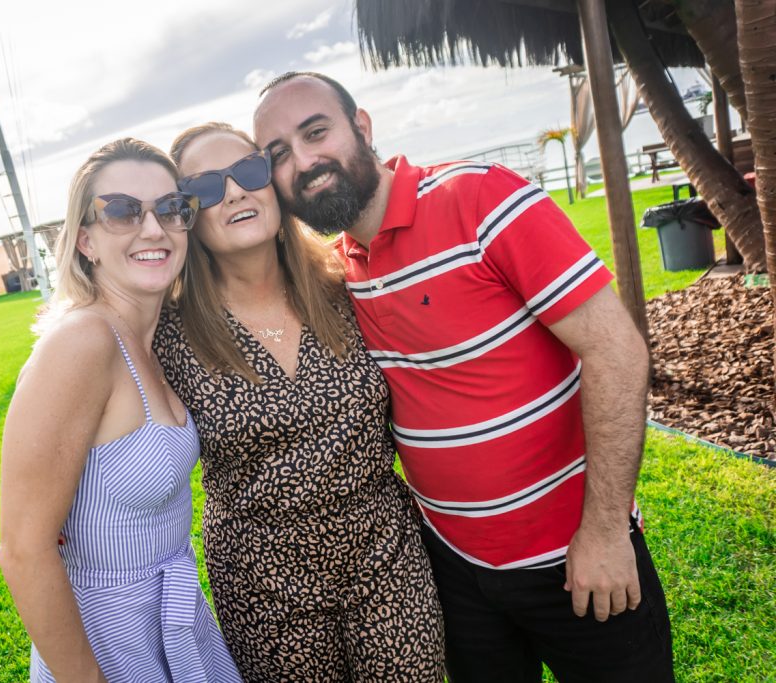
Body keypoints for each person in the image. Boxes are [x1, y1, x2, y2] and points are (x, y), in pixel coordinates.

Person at [253, 72, 674, 683]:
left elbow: (618, 353)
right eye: (279, 155)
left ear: (362, 128)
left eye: (315, 132)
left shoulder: (482, 199)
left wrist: (606, 533)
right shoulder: (339, 269)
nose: (304, 161)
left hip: (574, 556)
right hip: (454, 570)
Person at [155, 122, 444, 682]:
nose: (235, 192)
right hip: (262, 585)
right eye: (209, 187)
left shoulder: (347, 284)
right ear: (186, 212)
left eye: (248, 171)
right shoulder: (168, 331)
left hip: (385, 556)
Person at [0, 138, 241, 683]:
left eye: (171, 208)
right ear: (85, 239)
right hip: (108, 644)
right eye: (123, 211)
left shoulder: (148, 341)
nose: (152, 229)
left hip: (173, 623)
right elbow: (22, 550)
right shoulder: (82, 342)